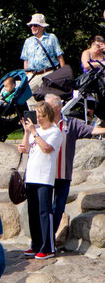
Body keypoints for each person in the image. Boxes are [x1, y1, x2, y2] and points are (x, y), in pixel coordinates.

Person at [44, 94, 105, 239]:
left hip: (63, 173)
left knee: (58, 208)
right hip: (45, 174)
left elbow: (92, 131)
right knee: (43, 209)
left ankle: (49, 238)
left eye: (48, 105)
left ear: (57, 107)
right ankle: (43, 239)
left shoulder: (71, 123)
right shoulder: (43, 124)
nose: (45, 108)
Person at [18, 101, 64, 259]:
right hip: (31, 176)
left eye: (41, 116)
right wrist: (26, 132)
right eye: (36, 116)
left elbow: (46, 148)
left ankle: (48, 247)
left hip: (44, 177)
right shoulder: (33, 131)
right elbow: (26, 149)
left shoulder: (55, 132)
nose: (38, 119)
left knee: (45, 212)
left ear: (48, 115)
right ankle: (36, 244)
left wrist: (34, 133)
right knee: (32, 212)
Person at [21, 14, 65, 109]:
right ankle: (36, 118)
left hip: (48, 74)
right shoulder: (28, 41)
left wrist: (63, 75)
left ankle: (50, 120)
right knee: (26, 94)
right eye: (31, 25)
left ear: (42, 27)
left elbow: (59, 56)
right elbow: (25, 60)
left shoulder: (51, 38)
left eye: (35, 25)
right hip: (32, 75)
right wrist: (26, 75)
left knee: (49, 100)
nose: (32, 27)